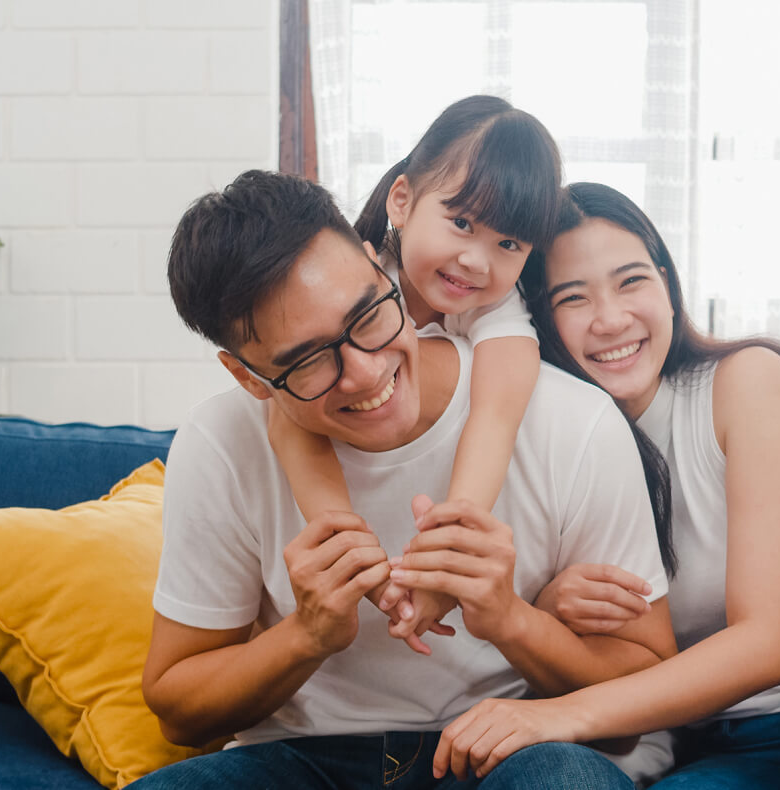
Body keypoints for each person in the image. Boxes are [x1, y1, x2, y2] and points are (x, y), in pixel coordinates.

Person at [427, 183, 780, 790]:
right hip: (717, 746)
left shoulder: (746, 382)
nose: (611, 318)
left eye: (632, 280)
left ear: (668, 286)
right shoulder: (556, 443)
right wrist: (551, 611)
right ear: (541, 322)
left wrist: (557, 716)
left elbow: (768, 643)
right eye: (573, 297)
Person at [131, 171, 676, 789]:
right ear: (249, 378)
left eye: (368, 316)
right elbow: (177, 709)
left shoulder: (571, 421)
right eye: (308, 362)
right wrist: (304, 637)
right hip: (303, 760)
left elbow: (640, 696)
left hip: (505, 750)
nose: (365, 374)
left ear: (380, 268)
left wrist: (507, 617)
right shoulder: (219, 443)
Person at [266, 95, 559, 652]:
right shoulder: (357, 281)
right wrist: (364, 570)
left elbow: (495, 416)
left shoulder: (499, 311)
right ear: (402, 200)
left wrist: (449, 554)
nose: (477, 260)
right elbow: (289, 422)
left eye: (508, 244)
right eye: (462, 222)